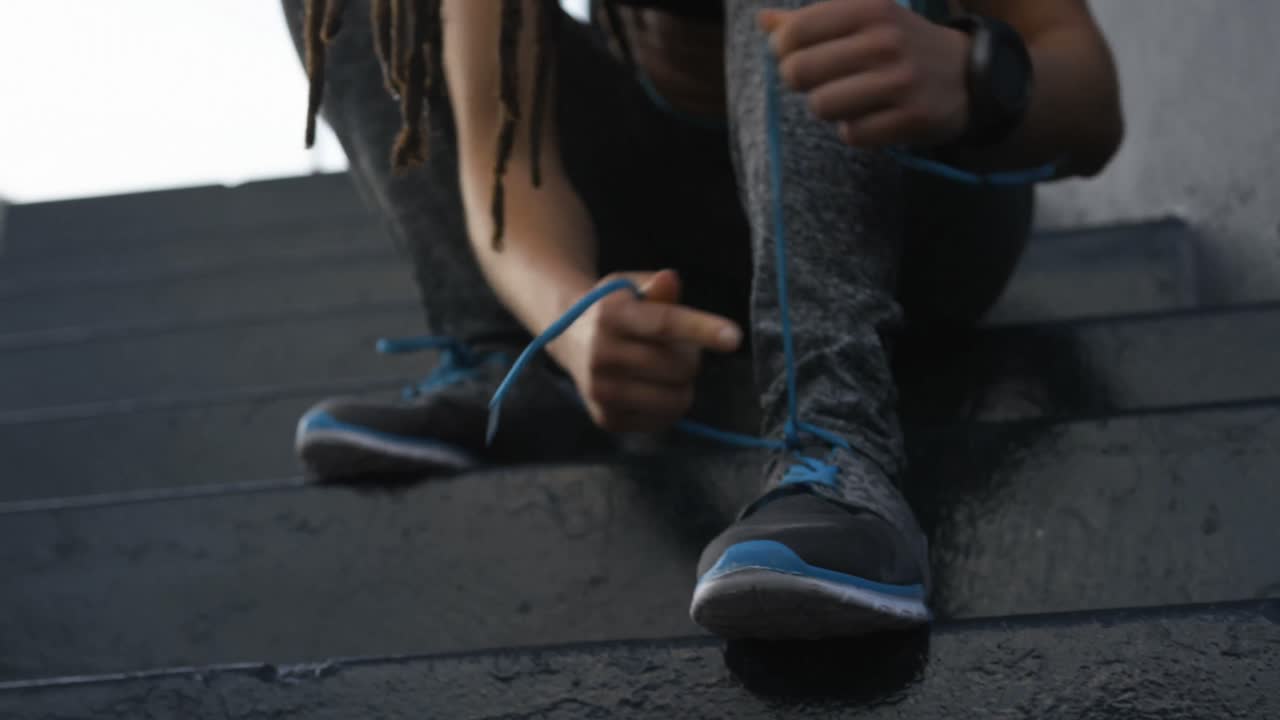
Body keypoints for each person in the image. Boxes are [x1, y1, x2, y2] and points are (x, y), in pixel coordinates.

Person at [282, 0, 1123, 638]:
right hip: (682, 217)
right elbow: (506, 168)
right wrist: (575, 324)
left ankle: (836, 444)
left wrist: (973, 74)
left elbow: (1091, 102)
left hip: (913, 206)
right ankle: (514, 364)